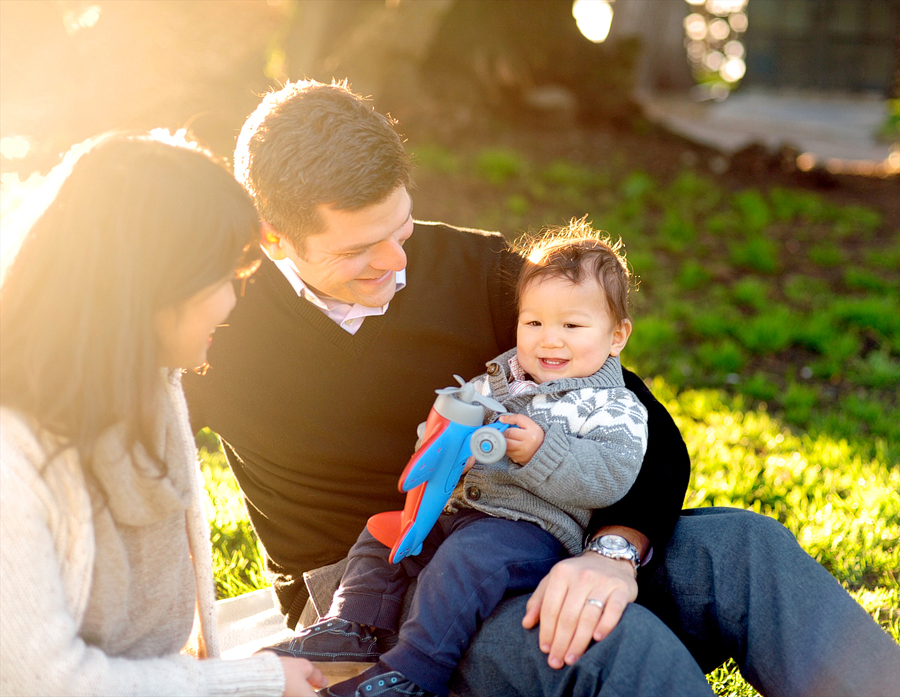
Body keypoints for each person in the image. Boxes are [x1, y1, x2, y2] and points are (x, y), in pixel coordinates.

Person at [183, 80, 900, 697]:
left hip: (541, 528)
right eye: (359, 250)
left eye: (401, 227)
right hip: (383, 594)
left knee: (748, 547)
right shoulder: (214, 322)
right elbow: (106, 451)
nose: (397, 261)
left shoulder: (478, 269)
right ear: (273, 238)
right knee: (614, 649)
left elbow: (641, 422)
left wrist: (613, 552)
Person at [0, 131, 327, 696]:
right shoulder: (14, 449)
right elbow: (40, 680)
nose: (234, 300)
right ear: (153, 288)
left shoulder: (147, 384)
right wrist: (252, 682)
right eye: (225, 279)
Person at [278, 228, 650, 697]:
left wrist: (541, 449)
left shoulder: (614, 407)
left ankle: (414, 673)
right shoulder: (496, 381)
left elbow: (610, 477)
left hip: (529, 530)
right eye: (533, 323)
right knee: (383, 531)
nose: (549, 340)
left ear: (617, 336)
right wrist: (439, 434)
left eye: (572, 327)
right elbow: (445, 425)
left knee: (464, 561)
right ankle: (350, 624)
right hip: (454, 513)